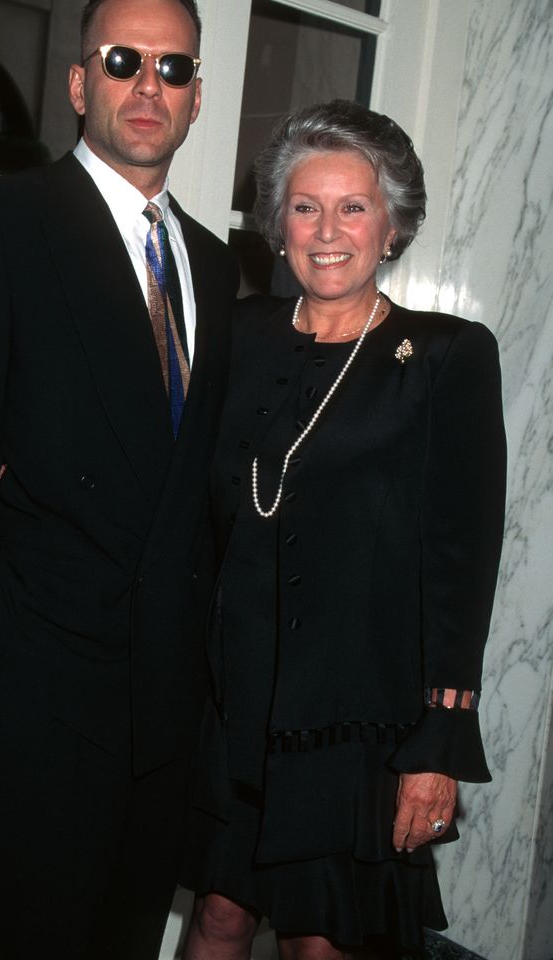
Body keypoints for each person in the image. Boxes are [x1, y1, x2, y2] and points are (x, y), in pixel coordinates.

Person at [0, 0, 238, 960]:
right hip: (34, 699)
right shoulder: (3, 224)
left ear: (197, 95)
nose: (147, 87)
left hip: (158, 718)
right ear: (81, 81)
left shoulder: (214, 263)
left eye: (172, 67)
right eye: (123, 60)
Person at [180, 100, 506, 960]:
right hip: (232, 700)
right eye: (304, 205)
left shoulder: (445, 357)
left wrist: (437, 743)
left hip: (352, 718)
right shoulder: (239, 334)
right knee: (216, 915)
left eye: (352, 207)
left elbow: (461, 563)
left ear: (391, 227)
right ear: (276, 222)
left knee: (319, 942)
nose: (327, 230)